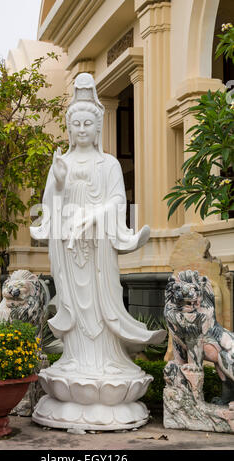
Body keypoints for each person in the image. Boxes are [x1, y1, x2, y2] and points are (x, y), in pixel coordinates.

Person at [30, 73, 166, 378]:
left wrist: (93, 217)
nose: (81, 129)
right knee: (73, 303)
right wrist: (60, 182)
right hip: (69, 248)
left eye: (87, 124)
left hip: (99, 248)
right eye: (75, 124)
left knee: (99, 301)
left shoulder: (109, 164)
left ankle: (106, 360)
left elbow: (119, 201)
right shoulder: (61, 163)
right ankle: (74, 359)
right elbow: (47, 208)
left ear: (97, 127)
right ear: (68, 128)